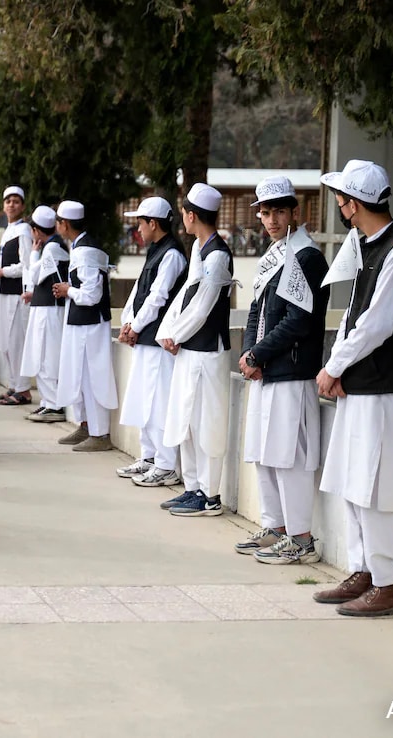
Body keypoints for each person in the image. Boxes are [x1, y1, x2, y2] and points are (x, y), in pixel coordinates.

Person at [312, 160, 393, 616]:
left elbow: (377, 325)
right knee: (353, 481)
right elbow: (353, 316)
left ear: (353, 203)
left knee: (376, 486)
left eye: (340, 197)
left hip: (384, 388)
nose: (337, 204)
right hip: (358, 384)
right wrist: (338, 369)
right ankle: (364, 570)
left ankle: (389, 583)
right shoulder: (365, 243)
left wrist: (332, 366)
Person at [235, 177, 330, 564]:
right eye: (265, 212)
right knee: (264, 453)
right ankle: (275, 527)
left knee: (288, 458)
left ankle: (301, 538)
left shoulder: (306, 256)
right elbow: (257, 310)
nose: (271, 219)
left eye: (278, 211)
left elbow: (297, 322)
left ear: (296, 213)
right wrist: (248, 355)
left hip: (290, 374)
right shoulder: (275, 254)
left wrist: (256, 356)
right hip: (266, 373)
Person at [156, 183, 233, 516]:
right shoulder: (200, 249)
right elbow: (186, 293)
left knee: (206, 423)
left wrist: (177, 335)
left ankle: (210, 495)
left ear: (193, 215)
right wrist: (168, 332)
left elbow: (203, 306)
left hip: (208, 352)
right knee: (186, 419)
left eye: (184, 213)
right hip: (189, 349)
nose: (182, 219)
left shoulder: (218, 255)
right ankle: (192, 488)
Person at [115, 197, 187, 486]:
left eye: (141, 223)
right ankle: (149, 457)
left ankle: (166, 464)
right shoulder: (156, 251)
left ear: (153, 224)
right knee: (144, 400)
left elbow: (158, 297)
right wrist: (128, 323)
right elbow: (138, 292)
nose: (138, 229)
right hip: (145, 338)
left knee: (159, 402)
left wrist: (136, 325)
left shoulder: (171, 255)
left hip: (159, 340)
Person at [51, 201, 117, 452]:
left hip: (90, 325)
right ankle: (87, 425)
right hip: (81, 323)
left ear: (64, 224)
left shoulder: (85, 251)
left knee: (93, 377)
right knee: (80, 375)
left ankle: (100, 434)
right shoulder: (80, 247)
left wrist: (69, 290)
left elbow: (92, 295)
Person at [20, 205, 69, 423]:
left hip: (50, 311)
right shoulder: (53, 246)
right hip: (43, 308)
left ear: (36, 231)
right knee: (40, 355)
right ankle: (47, 402)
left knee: (47, 356)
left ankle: (54, 405)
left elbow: (34, 274)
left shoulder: (52, 248)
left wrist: (33, 253)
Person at [0, 186, 33, 406]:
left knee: (16, 343)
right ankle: (14, 386)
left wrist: (1, 272)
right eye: (8, 201)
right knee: (5, 342)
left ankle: (23, 390)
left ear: (22, 206)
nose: (11, 205)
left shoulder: (24, 231)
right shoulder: (8, 230)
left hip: (16, 295)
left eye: (16, 201)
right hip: (4, 292)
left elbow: (26, 266)